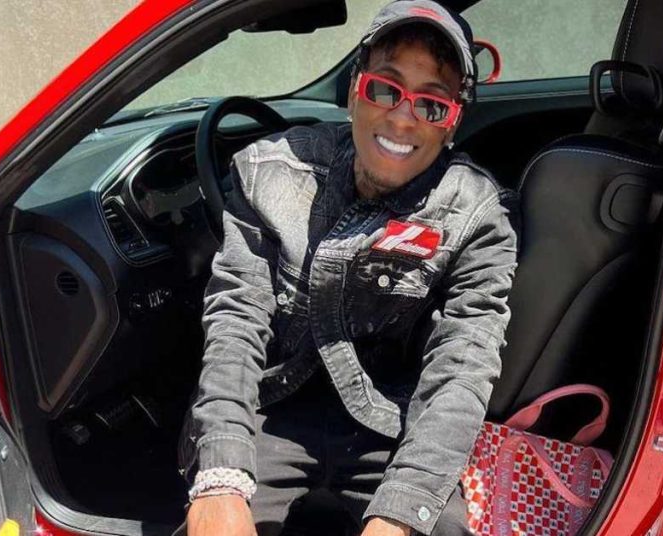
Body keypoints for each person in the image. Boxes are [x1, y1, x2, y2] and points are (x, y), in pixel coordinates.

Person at [179, 2, 518, 534]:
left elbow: (462, 368)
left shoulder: (479, 216)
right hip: (270, 409)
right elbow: (236, 321)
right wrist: (220, 474)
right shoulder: (271, 172)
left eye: (432, 105)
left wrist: (404, 509)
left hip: (394, 425)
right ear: (355, 89)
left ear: (452, 123)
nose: (402, 118)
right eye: (385, 89)